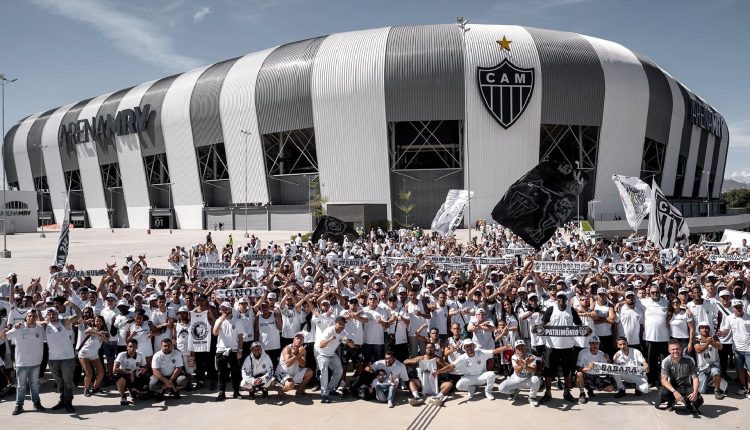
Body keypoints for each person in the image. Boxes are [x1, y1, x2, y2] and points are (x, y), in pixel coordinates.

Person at [1, 309, 46, 415]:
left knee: (34, 385)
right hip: (22, 363)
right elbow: (3, 337)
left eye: (34, 316)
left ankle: (36, 403)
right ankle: (19, 405)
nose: (32, 318)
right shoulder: (19, 328)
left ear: (37, 318)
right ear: (26, 317)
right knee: (21, 386)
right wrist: (8, 327)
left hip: (36, 362)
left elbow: (47, 324)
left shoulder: (40, 329)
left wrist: (41, 322)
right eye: (30, 316)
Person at [540, 290, 583, 403]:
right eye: (559, 297)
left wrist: (583, 331)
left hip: (568, 346)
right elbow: (542, 324)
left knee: (567, 371)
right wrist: (539, 329)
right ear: (556, 298)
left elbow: (579, 325)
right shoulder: (551, 309)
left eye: (563, 297)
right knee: (549, 371)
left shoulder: (571, 310)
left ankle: (567, 392)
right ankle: (548, 392)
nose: (561, 300)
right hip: (552, 346)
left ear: (566, 299)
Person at [433, 339, 508, 400]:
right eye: (467, 346)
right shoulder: (462, 357)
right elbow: (451, 366)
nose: (469, 348)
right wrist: (438, 372)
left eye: (470, 346)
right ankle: (471, 389)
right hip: (470, 377)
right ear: (464, 348)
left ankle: (488, 392)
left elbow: (494, 351)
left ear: (473, 346)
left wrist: (505, 348)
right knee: (458, 386)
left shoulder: (481, 352)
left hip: (482, 376)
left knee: (492, 374)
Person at [40, 303, 79, 413]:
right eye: (49, 315)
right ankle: (62, 400)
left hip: (67, 358)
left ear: (58, 314)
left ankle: (68, 402)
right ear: (47, 316)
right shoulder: (45, 326)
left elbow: (79, 315)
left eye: (54, 314)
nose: (52, 316)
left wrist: (73, 305)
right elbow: (33, 322)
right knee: (60, 382)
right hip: (53, 359)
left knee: (68, 382)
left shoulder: (64, 322)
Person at [657, 339, 703, 416]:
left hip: (686, 386)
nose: (675, 351)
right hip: (673, 387)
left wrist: (695, 392)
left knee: (699, 399)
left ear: (681, 349)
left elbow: (695, 378)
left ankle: (688, 403)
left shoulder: (689, 360)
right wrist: (674, 392)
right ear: (669, 350)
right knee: (663, 393)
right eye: (673, 349)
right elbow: (663, 380)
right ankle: (671, 401)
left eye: (677, 349)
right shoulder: (666, 361)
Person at [316, 316, 355, 403]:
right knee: (324, 373)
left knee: (339, 371)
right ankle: (324, 395)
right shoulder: (329, 331)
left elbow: (352, 346)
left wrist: (348, 341)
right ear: (335, 323)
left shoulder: (342, 333)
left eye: (343, 324)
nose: (341, 326)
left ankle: (330, 389)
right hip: (322, 354)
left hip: (332, 354)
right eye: (340, 324)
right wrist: (330, 339)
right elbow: (321, 345)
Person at [716, 299, 750, 396]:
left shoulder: (749, 317)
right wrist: (721, 333)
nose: (738, 308)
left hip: (749, 349)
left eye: (739, 306)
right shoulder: (729, 318)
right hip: (736, 349)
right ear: (733, 308)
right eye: (736, 307)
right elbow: (726, 331)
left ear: (742, 307)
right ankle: (743, 387)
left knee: (749, 370)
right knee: (739, 369)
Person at [404, 342, 454, 407]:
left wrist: (441, 363)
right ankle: (417, 397)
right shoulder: (421, 358)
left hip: (435, 383)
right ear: (425, 349)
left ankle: (437, 398)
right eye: (428, 348)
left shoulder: (438, 359)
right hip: (422, 383)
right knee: (411, 382)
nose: (429, 349)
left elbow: (451, 368)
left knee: (449, 384)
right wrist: (413, 361)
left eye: (431, 348)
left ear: (434, 349)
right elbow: (405, 361)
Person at [213, 301, 244, 401]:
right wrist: (221, 320)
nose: (224, 311)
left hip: (234, 350)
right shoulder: (219, 320)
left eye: (226, 308)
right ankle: (221, 392)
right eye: (222, 309)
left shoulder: (237, 321)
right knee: (221, 373)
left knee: (235, 372)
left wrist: (240, 350)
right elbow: (214, 333)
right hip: (221, 350)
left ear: (230, 309)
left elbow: (240, 337)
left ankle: (236, 391)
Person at [497, 340, 541, 406]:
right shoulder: (514, 357)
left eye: (522, 347)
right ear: (515, 350)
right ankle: (514, 391)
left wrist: (524, 365)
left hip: (527, 381)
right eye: (518, 348)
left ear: (525, 348)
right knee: (501, 388)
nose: (521, 349)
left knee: (536, 379)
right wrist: (525, 365)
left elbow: (533, 370)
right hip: (516, 379)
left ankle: (532, 397)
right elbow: (517, 370)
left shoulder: (531, 356)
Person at [575, 335, 616, 404]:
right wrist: (587, 368)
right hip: (586, 374)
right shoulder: (583, 352)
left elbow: (608, 368)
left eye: (597, 343)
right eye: (593, 343)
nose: (595, 345)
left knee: (610, 388)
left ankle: (592, 388)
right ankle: (582, 394)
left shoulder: (601, 354)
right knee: (579, 374)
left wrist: (608, 360)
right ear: (589, 344)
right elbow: (577, 367)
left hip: (596, 376)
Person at [79, 314, 109, 397]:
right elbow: (86, 332)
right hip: (84, 353)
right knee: (89, 372)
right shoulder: (92, 329)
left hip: (94, 354)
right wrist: (97, 332)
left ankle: (95, 388)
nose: (98, 322)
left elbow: (106, 341)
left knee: (101, 372)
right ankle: (86, 389)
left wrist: (101, 335)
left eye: (100, 321)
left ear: (103, 322)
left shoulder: (104, 331)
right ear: (94, 322)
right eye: (96, 321)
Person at [693, 321, 725, 399]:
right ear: (699, 330)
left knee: (715, 371)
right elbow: (698, 350)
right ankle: (713, 382)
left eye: (706, 328)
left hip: (714, 364)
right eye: (702, 328)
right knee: (701, 391)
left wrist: (711, 342)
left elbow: (720, 347)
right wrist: (707, 343)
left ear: (709, 329)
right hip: (702, 367)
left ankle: (717, 390)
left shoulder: (714, 337)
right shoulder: (696, 338)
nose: (705, 329)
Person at [276, 332, 313, 396]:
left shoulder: (302, 350)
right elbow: (288, 364)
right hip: (283, 373)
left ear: (303, 341)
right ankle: (281, 390)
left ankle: (300, 390)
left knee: (310, 372)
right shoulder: (287, 348)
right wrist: (299, 355)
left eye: (301, 339)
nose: (299, 340)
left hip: (294, 373)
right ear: (293, 339)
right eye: (298, 338)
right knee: (290, 385)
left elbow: (303, 365)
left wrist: (300, 353)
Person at [114, 339, 148, 405]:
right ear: (127, 347)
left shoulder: (141, 355)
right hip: (125, 375)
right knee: (118, 376)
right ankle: (123, 396)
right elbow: (115, 369)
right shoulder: (121, 355)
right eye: (130, 346)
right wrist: (129, 373)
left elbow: (145, 367)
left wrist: (143, 370)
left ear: (137, 347)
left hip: (136, 375)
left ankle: (133, 390)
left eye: (134, 347)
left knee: (145, 393)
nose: (132, 348)